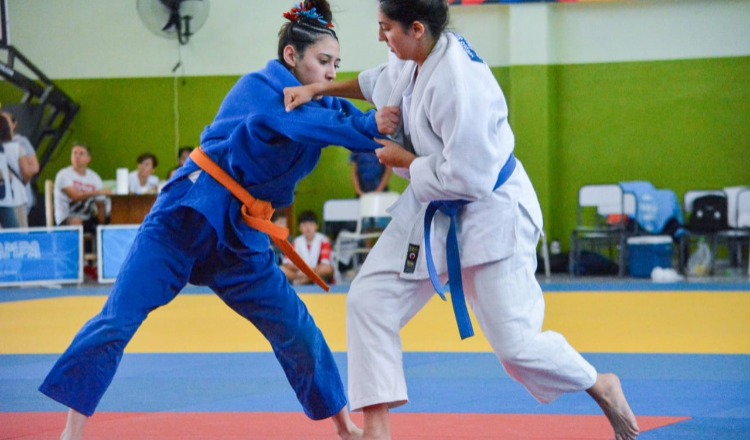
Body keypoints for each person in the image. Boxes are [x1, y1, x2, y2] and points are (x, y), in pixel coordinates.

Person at [38, 2, 399, 439]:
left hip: (241, 240)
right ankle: (71, 431)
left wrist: (393, 128)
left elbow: (359, 126)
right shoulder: (261, 87)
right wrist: (370, 124)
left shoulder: (321, 103)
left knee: (297, 329)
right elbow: (305, 125)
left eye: (336, 65)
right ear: (291, 56)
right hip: (184, 219)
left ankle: (344, 428)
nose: (330, 72)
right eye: (324, 61)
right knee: (118, 318)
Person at [284, 1, 640, 439]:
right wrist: (317, 90)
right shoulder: (413, 56)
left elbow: (470, 177)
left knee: (516, 349)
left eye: (386, 28)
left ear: (417, 28)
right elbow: (376, 82)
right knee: (368, 300)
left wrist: (405, 161)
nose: (380, 37)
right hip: (432, 206)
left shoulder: (457, 81)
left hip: (490, 212)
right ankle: (375, 431)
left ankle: (599, 384)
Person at [53, 144, 111, 233]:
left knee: (111, 221)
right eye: (74, 153)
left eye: (81, 154)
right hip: (66, 219)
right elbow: (75, 196)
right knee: (76, 222)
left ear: (88, 159)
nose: (77, 156)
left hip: (87, 218)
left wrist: (102, 226)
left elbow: (100, 205)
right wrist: (98, 192)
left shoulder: (95, 177)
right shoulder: (63, 175)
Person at [2, 111, 39, 226]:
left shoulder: (21, 142)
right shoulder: (16, 148)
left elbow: (33, 168)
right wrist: (22, 182)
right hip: (16, 196)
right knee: (18, 232)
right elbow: (26, 172)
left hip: (5, 196)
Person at [281, 210, 334, 285]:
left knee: (327, 269)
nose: (308, 228)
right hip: (300, 273)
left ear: (317, 226)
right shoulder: (296, 241)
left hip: (316, 271)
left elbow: (325, 263)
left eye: (311, 224)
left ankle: (305, 281)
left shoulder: (324, 240)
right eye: (304, 225)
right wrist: (303, 271)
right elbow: (287, 263)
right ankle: (309, 280)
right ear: (299, 227)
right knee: (281, 269)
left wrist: (308, 272)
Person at [0, 115, 18, 228]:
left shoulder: (2, 148)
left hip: (5, 197)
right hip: (4, 197)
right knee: (12, 231)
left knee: (12, 232)